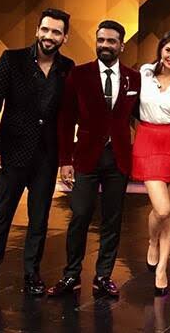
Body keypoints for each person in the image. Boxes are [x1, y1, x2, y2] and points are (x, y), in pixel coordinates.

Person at [0, 8, 74, 298]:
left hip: (46, 156)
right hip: (12, 152)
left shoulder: (67, 67)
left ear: (64, 38)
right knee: (2, 215)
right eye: (45, 29)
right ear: (37, 30)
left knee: (39, 219)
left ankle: (32, 274)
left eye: (56, 32)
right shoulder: (12, 59)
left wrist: (67, 158)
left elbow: (68, 115)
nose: (49, 36)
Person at [47, 20, 141, 298]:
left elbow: (140, 115)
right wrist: (65, 160)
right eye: (101, 40)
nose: (105, 45)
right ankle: (71, 275)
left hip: (118, 158)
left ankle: (103, 276)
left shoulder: (134, 78)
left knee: (112, 219)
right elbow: (66, 120)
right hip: (85, 157)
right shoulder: (79, 74)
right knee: (79, 215)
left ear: (121, 45)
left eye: (111, 41)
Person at [132, 31, 170, 296]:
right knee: (162, 208)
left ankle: (162, 269)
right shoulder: (144, 74)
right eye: (168, 50)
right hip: (147, 139)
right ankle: (152, 241)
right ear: (160, 50)